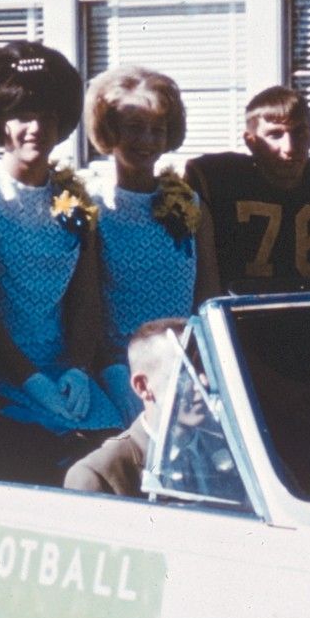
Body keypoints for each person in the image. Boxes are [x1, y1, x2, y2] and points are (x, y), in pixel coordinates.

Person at [0, 40, 121, 435]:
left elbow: (86, 297)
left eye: (47, 117)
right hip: (0, 374)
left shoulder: (73, 198)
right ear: (0, 123)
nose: (35, 129)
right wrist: (30, 379)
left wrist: (78, 368)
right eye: (22, 116)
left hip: (63, 374)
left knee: (118, 450)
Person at [81, 66, 221, 420]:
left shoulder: (190, 205)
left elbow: (208, 295)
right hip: (121, 369)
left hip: (187, 362)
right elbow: (87, 304)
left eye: (156, 130)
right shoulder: (93, 206)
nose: (146, 141)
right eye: (133, 128)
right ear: (109, 131)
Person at [186, 86, 310, 290]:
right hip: (242, 314)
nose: (289, 147)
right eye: (275, 135)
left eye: (299, 133)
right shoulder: (218, 178)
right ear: (251, 142)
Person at [64, 316, 242, 503]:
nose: (203, 382)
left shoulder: (232, 453)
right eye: (186, 373)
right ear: (143, 387)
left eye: (206, 369)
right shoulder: (99, 475)